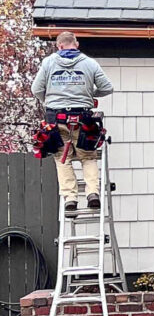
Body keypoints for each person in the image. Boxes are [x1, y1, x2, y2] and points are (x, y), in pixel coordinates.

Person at [31, 32, 114, 214]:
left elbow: (36, 89)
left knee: (63, 158)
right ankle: (92, 193)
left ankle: (70, 198)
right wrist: (89, 94)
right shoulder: (89, 63)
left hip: (57, 119)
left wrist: (50, 99)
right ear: (76, 44)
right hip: (83, 119)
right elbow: (107, 87)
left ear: (59, 46)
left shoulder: (49, 63)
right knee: (88, 156)